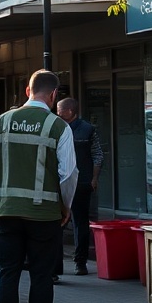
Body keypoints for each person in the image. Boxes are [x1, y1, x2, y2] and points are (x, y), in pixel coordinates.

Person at [0, 69, 77, 303]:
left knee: (8, 275)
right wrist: (64, 206)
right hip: (44, 215)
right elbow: (68, 173)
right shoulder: (58, 127)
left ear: (26, 91)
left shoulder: (0, 122)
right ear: (54, 94)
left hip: (6, 213)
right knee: (42, 277)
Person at [54, 98, 103, 277]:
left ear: (70, 111)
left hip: (76, 182)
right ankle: (67, 266)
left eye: (60, 109)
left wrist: (94, 178)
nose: (57, 112)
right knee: (72, 223)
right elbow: (98, 155)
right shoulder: (62, 127)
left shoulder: (83, 130)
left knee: (74, 222)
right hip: (70, 182)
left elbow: (97, 154)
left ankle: (75, 263)